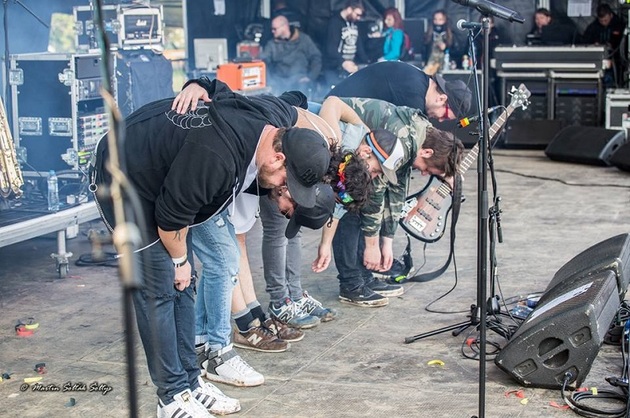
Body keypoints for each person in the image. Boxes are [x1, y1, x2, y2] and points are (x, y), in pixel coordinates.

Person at [92, 79, 332, 417]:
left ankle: (190, 382)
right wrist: (179, 260)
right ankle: (171, 397)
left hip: (168, 182)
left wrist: (199, 83)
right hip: (125, 176)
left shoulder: (274, 118)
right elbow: (170, 217)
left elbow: (236, 90)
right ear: (279, 157)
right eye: (285, 181)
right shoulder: (218, 156)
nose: (280, 190)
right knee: (160, 288)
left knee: (185, 287)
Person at [312, 95, 464, 307]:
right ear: (427, 152)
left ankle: (363, 277)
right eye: (428, 169)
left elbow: (397, 190)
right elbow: (374, 193)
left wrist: (387, 242)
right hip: (337, 135)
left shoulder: (418, 138)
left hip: (360, 153)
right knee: (354, 208)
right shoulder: (403, 137)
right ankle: (351, 283)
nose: (423, 173)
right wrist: (372, 245)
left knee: (358, 206)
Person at [326, 61, 473, 122]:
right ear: (441, 99)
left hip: (339, 110)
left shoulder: (419, 79)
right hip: (334, 116)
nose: (440, 120)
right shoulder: (414, 98)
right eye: (445, 116)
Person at [260, 14, 322, 95]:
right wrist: (270, 81)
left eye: (275, 29)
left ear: (284, 26)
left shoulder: (304, 40)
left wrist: (310, 77)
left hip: (299, 82)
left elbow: (316, 57)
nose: (272, 31)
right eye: (272, 29)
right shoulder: (271, 44)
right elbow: (263, 61)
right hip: (279, 82)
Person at [324, 0, 368, 87]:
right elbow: (331, 48)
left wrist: (367, 61)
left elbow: (358, 45)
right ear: (349, 9)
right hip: (334, 69)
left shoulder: (354, 23)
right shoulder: (334, 23)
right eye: (357, 14)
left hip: (349, 68)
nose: (358, 18)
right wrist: (343, 62)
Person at [582, 4, 626, 87]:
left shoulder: (619, 25)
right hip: (597, 59)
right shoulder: (593, 26)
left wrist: (610, 45)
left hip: (616, 60)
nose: (604, 23)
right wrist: (593, 44)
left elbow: (622, 42)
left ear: (610, 15)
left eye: (606, 20)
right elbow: (585, 40)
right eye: (601, 21)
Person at [423, 9, 453, 75]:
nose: (437, 22)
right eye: (435, 19)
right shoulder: (429, 34)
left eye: (440, 20)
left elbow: (456, 51)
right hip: (431, 63)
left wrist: (445, 47)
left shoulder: (449, 34)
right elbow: (424, 49)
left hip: (445, 64)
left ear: (445, 21)